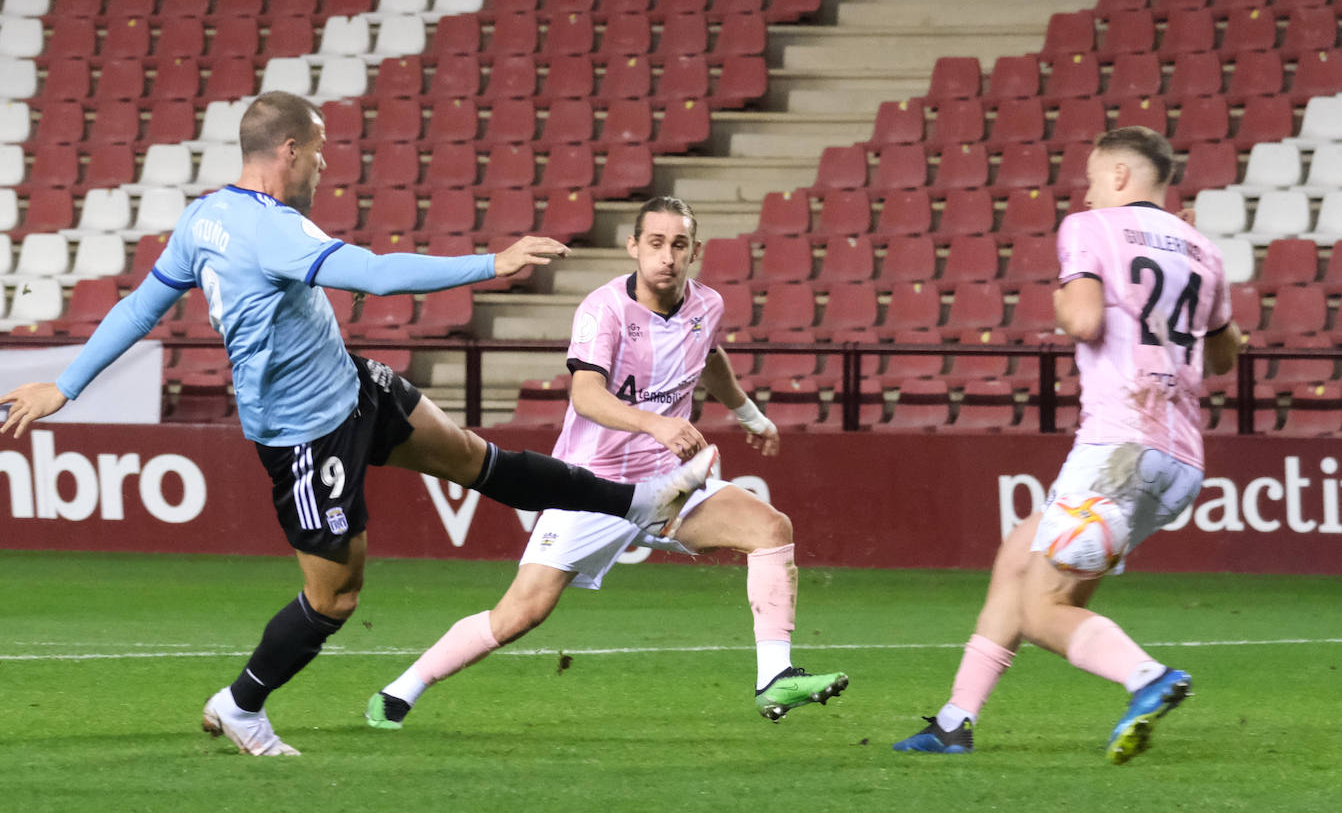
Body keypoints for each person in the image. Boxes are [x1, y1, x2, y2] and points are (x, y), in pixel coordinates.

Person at [0, 92, 717, 757]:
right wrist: (492, 261)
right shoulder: (273, 231)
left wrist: (66, 383)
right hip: (303, 437)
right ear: (290, 152)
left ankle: (639, 503)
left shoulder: (203, 216)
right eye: (322, 150)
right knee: (336, 597)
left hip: (353, 387)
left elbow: (142, 305)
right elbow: (374, 275)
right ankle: (241, 704)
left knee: (478, 459)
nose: (328, 165)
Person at [364, 195, 848, 730]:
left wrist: (750, 414)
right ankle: (400, 691)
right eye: (656, 243)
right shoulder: (605, 309)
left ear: (696, 251)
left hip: (670, 485)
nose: (667, 256)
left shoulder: (706, 306)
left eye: (679, 245)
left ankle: (773, 678)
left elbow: (710, 358)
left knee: (770, 527)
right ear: (633, 247)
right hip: (591, 488)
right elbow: (586, 396)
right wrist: (656, 423)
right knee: (519, 614)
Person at [893, 126, 1242, 764]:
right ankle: (953, 721)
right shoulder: (1203, 249)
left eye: (1088, 180)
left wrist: (1060, 296)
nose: (1084, 195)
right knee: (1018, 555)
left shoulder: (1091, 227)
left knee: (1042, 607)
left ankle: (1147, 678)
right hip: (1180, 461)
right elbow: (1223, 355)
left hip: (1118, 445)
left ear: (1116, 177)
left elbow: (1082, 319)